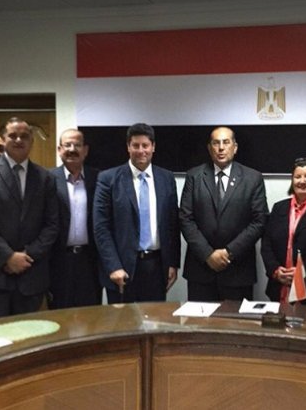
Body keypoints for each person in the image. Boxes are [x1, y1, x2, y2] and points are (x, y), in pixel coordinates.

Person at [0, 117, 59, 320]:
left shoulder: (46, 178)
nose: (19, 140)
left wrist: (27, 256)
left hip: (31, 276)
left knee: (30, 337)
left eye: (24, 136)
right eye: (13, 136)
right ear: (4, 139)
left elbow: (52, 225)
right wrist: (7, 257)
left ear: (32, 141)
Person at [93, 123, 180, 303]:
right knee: (122, 319)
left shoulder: (166, 178)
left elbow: (173, 224)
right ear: (128, 147)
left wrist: (172, 263)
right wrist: (113, 266)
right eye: (136, 145)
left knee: (154, 318)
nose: (141, 151)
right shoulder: (108, 179)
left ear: (153, 147)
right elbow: (101, 227)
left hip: (156, 267)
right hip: (122, 269)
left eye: (145, 145)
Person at [180, 126, 268, 301]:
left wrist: (229, 252)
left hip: (238, 271)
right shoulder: (194, 176)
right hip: (201, 271)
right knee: (198, 319)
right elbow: (185, 218)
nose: (221, 148)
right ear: (209, 148)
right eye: (216, 143)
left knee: (235, 319)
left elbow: (259, 221)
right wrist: (208, 254)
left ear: (235, 147)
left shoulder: (253, 178)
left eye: (226, 142)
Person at [260, 157, 306, 308]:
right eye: (297, 177)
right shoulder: (279, 208)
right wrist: (275, 270)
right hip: (279, 285)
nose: (302, 181)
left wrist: (303, 271)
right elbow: (266, 242)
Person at [49, 128, 102, 308]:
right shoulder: (47, 179)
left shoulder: (99, 178)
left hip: (90, 261)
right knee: (60, 313)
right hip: (59, 261)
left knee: (91, 314)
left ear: (85, 150)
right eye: (67, 145)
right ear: (59, 150)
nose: (72, 149)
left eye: (77, 145)